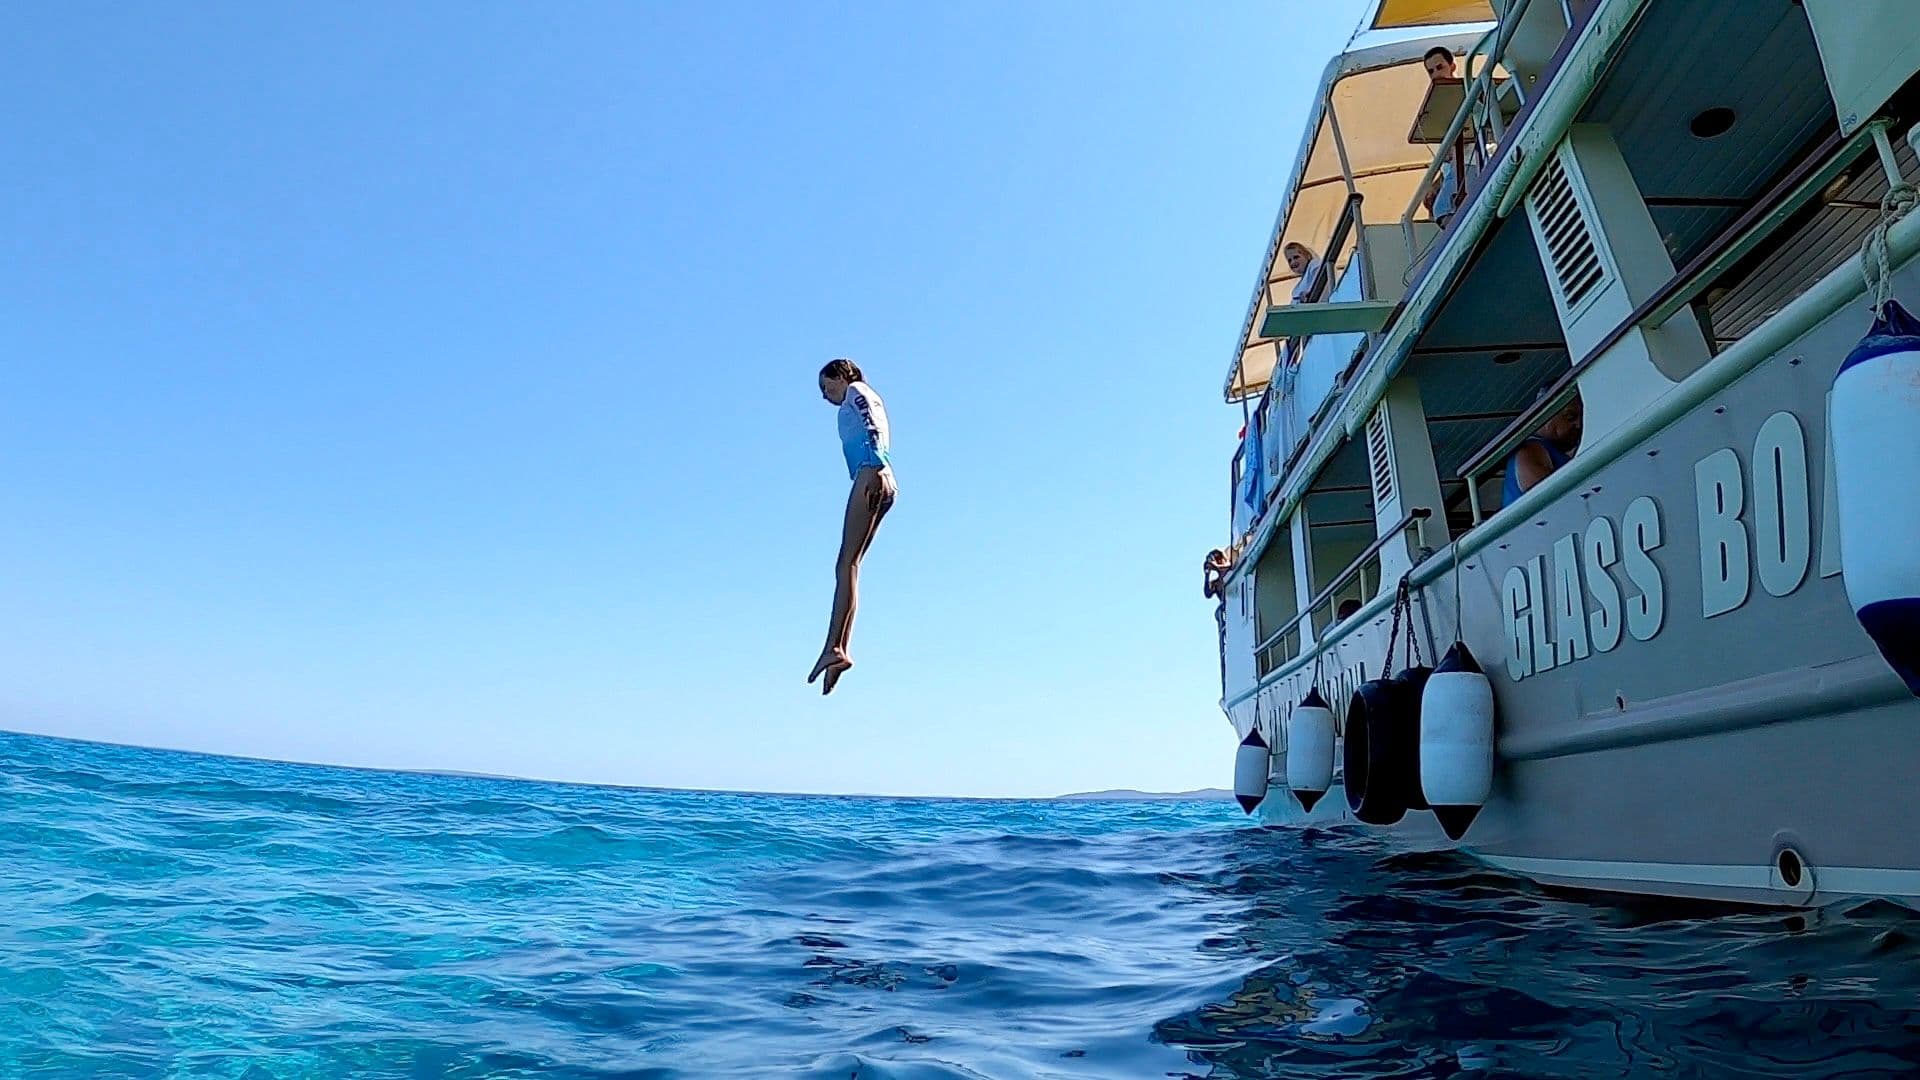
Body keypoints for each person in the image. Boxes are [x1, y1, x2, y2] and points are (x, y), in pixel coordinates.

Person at [808, 358, 898, 695]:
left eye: (825, 386)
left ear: (841, 376)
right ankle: (838, 649)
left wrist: (873, 467)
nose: (824, 395)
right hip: (883, 478)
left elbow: (871, 424)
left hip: (870, 473)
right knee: (851, 565)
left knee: (845, 563)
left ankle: (835, 647)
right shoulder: (867, 396)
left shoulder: (857, 392)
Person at [1503, 392, 1583, 505]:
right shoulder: (1530, 450)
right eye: (1570, 417)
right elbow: (1556, 499)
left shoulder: (1550, 451)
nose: (1578, 424)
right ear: (1547, 414)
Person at [1421, 47, 1465, 228]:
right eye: (1430, 71)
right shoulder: (1437, 108)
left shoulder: (1467, 91)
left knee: (1443, 209)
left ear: (1452, 66)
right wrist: (1434, 185)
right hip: (1456, 170)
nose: (1435, 74)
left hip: (1472, 163)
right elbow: (1448, 162)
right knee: (1435, 206)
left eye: (1440, 67)